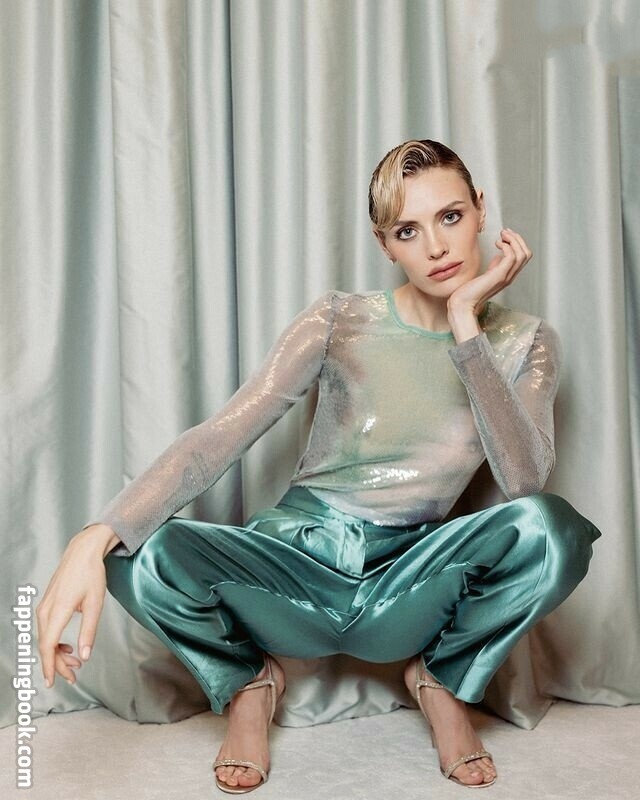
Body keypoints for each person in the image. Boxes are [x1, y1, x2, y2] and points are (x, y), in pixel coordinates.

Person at [37, 139, 601, 793]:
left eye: (450, 217)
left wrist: (465, 326)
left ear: (480, 209)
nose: (436, 247)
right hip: (296, 567)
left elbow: (524, 481)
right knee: (134, 550)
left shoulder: (527, 341)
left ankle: (442, 681)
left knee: (552, 531)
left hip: (409, 583)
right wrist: (94, 535)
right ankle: (248, 685)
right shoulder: (341, 320)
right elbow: (222, 435)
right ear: (385, 244)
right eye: (407, 230)